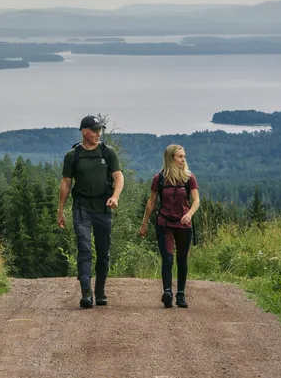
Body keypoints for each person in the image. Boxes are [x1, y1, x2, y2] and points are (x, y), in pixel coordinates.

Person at [57, 115, 124, 309]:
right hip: (81, 208)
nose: (97, 133)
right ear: (83, 131)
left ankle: (100, 290)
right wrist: (60, 211)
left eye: (99, 130)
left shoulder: (107, 152)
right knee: (84, 249)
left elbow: (119, 177)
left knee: (103, 252)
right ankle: (86, 292)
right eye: (94, 130)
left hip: (103, 208)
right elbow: (66, 183)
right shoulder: (73, 156)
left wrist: (115, 196)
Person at [139, 144, 200, 308]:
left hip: (183, 224)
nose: (183, 159)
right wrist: (144, 224)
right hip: (164, 223)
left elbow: (196, 200)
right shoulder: (159, 179)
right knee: (167, 259)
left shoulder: (189, 178)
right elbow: (151, 202)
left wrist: (189, 214)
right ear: (170, 158)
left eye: (184, 156)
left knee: (182, 260)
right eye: (180, 156)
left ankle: (180, 294)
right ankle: (167, 292)